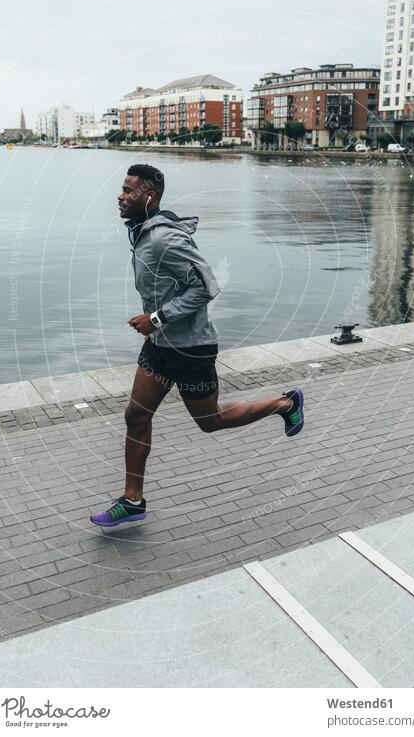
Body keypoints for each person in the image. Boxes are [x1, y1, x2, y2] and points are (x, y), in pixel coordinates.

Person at [90, 164, 304, 527]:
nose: (120, 196)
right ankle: (133, 500)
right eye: (122, 189)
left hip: (191, 348)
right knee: (136, 415)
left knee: (210, 421)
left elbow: (206, 286)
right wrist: (157, 326)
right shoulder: (143, 233)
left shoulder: (164, 239)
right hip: (160, 345)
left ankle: (285, 404)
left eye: (128, 190)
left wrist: (156, 318)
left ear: (149, 196)